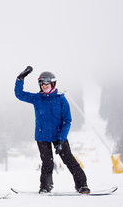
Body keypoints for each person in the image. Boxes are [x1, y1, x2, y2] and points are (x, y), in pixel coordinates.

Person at [14, 66, 90, 194]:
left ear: (53, 83)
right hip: (42, 136)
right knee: (47, 162)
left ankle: (82, 185)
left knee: (69, 160)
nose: (44, 85)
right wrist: (20, 79)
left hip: (59, 136)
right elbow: (19, 94)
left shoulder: (61, 99)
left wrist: (61, 139)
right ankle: (45, 186)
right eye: (41, 83)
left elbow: (67, 120)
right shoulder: (37, 98)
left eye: (47, 82)